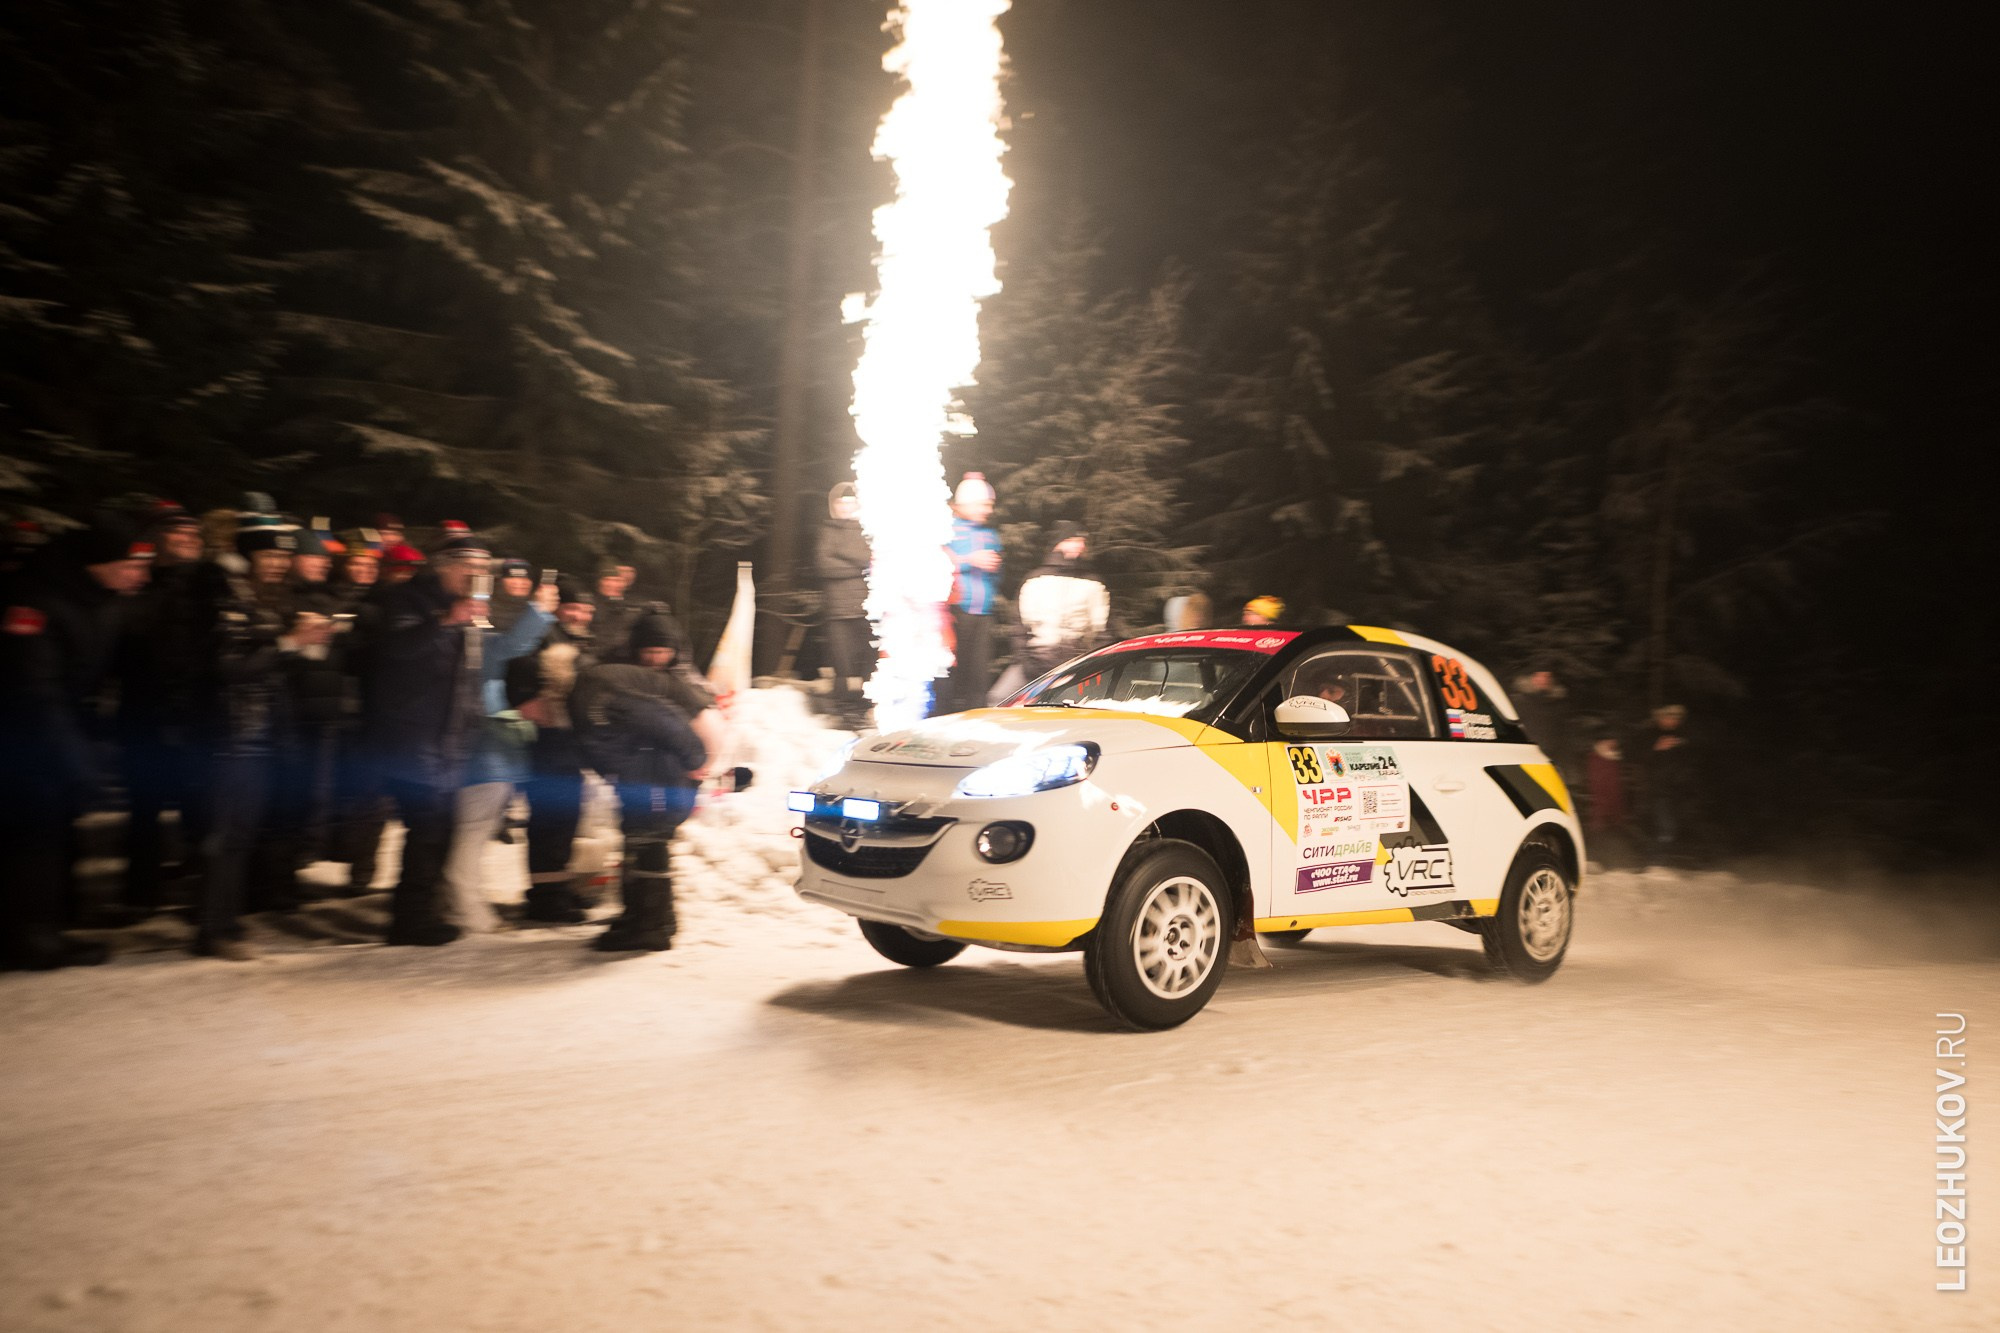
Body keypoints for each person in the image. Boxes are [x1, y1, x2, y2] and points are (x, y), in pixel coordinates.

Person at [0, 513, 153, 969]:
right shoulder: (37, 602)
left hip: (60, 735)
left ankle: (44, 928)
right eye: (130, 565)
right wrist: (73, 757)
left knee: (55, 836)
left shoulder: (103, 601)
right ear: (97, 563)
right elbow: (35, 691)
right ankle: (28, 938)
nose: (140, 575)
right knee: (32, 840)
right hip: (22, 742)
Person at [195, 515, 335, 958]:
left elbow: (273, 668)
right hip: (234, 736)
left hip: (263, 734)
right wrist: (289, 642)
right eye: (268, 555)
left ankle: (227, 922)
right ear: (248, 555)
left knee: (242, 834)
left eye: (283, 556)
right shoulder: (229, 598)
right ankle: (212, 931)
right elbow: (231, 668)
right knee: (227, 836)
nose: (277, 563)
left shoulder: (268, 598)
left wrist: (308, 641)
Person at [362, 525, 506, 946]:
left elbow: (470, 676)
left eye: (484, 568)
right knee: (424, 828)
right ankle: (409, 920)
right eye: (470, 566)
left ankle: (420, 911)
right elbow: (393, 652)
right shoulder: (407, 599)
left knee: (438, 829)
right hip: (411, 737)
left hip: (451, 739)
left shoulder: (472, 610)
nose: (478, 574)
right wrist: (445, 621)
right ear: (445, 567)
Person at [572, 612, 712, 952]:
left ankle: (651, 926)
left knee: (650, 842)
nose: (654, 659)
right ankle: (644, 917)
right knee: (637, 841)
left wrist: (696, 764)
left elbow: (674, 729)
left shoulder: (666, 688)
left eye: (662, 652)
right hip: (642, 776)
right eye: (648, 651)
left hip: (663, 778)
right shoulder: (627, 682)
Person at [440, 566, 554, 934]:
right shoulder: (468, 644)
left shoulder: (470, 642)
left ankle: (459, 906)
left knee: (472, 836)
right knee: (470, 840)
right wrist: (538, 610)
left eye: (483, 602)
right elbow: (513, 645)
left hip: (491, 759)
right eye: (472, 601)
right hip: (482, 760)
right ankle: (470, 914)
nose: (480, 609)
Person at [113, 501, 212, 913]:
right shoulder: (138, 583)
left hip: (197, 716)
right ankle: (141, 895)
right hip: (146, 714)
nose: (189, 538)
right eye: (177, 531)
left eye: (193, 532)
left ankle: (200, 896)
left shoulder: (209, 583)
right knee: (145, 809)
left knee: (201, 809)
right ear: (154, 538)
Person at [509, 576, 599, 922]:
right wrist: (530, 704)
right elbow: (518, 672)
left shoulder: (579, 639)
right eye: (573, 608)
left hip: (568, 747)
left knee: (564, 824)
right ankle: (545, 899)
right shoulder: (544, 636)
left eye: (585, 610)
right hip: (547, 747)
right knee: (550, 824)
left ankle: (555, 890)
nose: (579, 615)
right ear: (559, 608)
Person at [1014, 523, 1110, 682]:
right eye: (1072, 540)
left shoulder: (1093, 582)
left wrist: (1091, 663)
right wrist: (1025, 662)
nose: (1079, 545)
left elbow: (1103, 630)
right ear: (1059, 543)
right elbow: (1018, 625)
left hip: (1078, 662)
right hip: (1037, 659)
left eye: (1081, 541)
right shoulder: (1035, 579)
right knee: (998, 697)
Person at [942, 472, 1001, 713]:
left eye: (990, 506)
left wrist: (995, 569)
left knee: (979, 674)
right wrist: (969, 560)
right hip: (957, 610)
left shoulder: (990, 535)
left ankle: (977, 718)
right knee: (955, 671)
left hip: (983, 611)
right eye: (983, 505)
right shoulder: (946, 529)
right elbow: (938, 563)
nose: (988, 511)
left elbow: (996, 575)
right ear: (966, 503)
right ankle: (948, 716)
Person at [814, 482, 871, 720]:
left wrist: (842, 552)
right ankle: (842, 711)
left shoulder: (868, 530)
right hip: (838, 610)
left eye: (851, 502)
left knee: (868, 663)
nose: (846, 507)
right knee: (842, 664)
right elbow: (824, 566)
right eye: (841, 502)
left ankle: (865, 708)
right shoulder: (827, 531)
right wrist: (860, 568)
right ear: (833, 505)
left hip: (866, 608)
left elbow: (869, 558)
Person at [1637, 703, 1697, 866]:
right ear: (1661, 717)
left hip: (1678, 790)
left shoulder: (1680, 735)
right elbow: (1641, 759)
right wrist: (1656, 748)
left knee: (1673, 827)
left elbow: (1688, 758)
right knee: (1665, 828)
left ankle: (1662, 859)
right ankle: (1654, 862)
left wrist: (1682, 745)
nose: (1673, 721)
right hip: (1657, 791)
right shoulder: (1649, 734)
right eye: (1669, 717)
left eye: (1677, 718)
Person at [1513, 670, 1577, 780]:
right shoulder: (1518, 701)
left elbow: (1564, 736)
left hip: (1550, 761)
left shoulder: (1558, 703)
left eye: (1547, 676)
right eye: (1539, 676)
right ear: (1531, 678)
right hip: (1524, 758)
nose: (1543, 680)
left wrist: (1563, 765)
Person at [592, 562, 637, 660]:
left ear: (624, 584)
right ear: (599, 582)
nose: (611, 584)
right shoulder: (589, 605)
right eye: (607, 579)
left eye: (616, 580)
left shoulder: (634, 607)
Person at [489, 557, 535, 631]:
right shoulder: (484, 610)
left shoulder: (535, 610)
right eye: (512, 576)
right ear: (499, 581)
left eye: (525, 577)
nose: (520, 582)